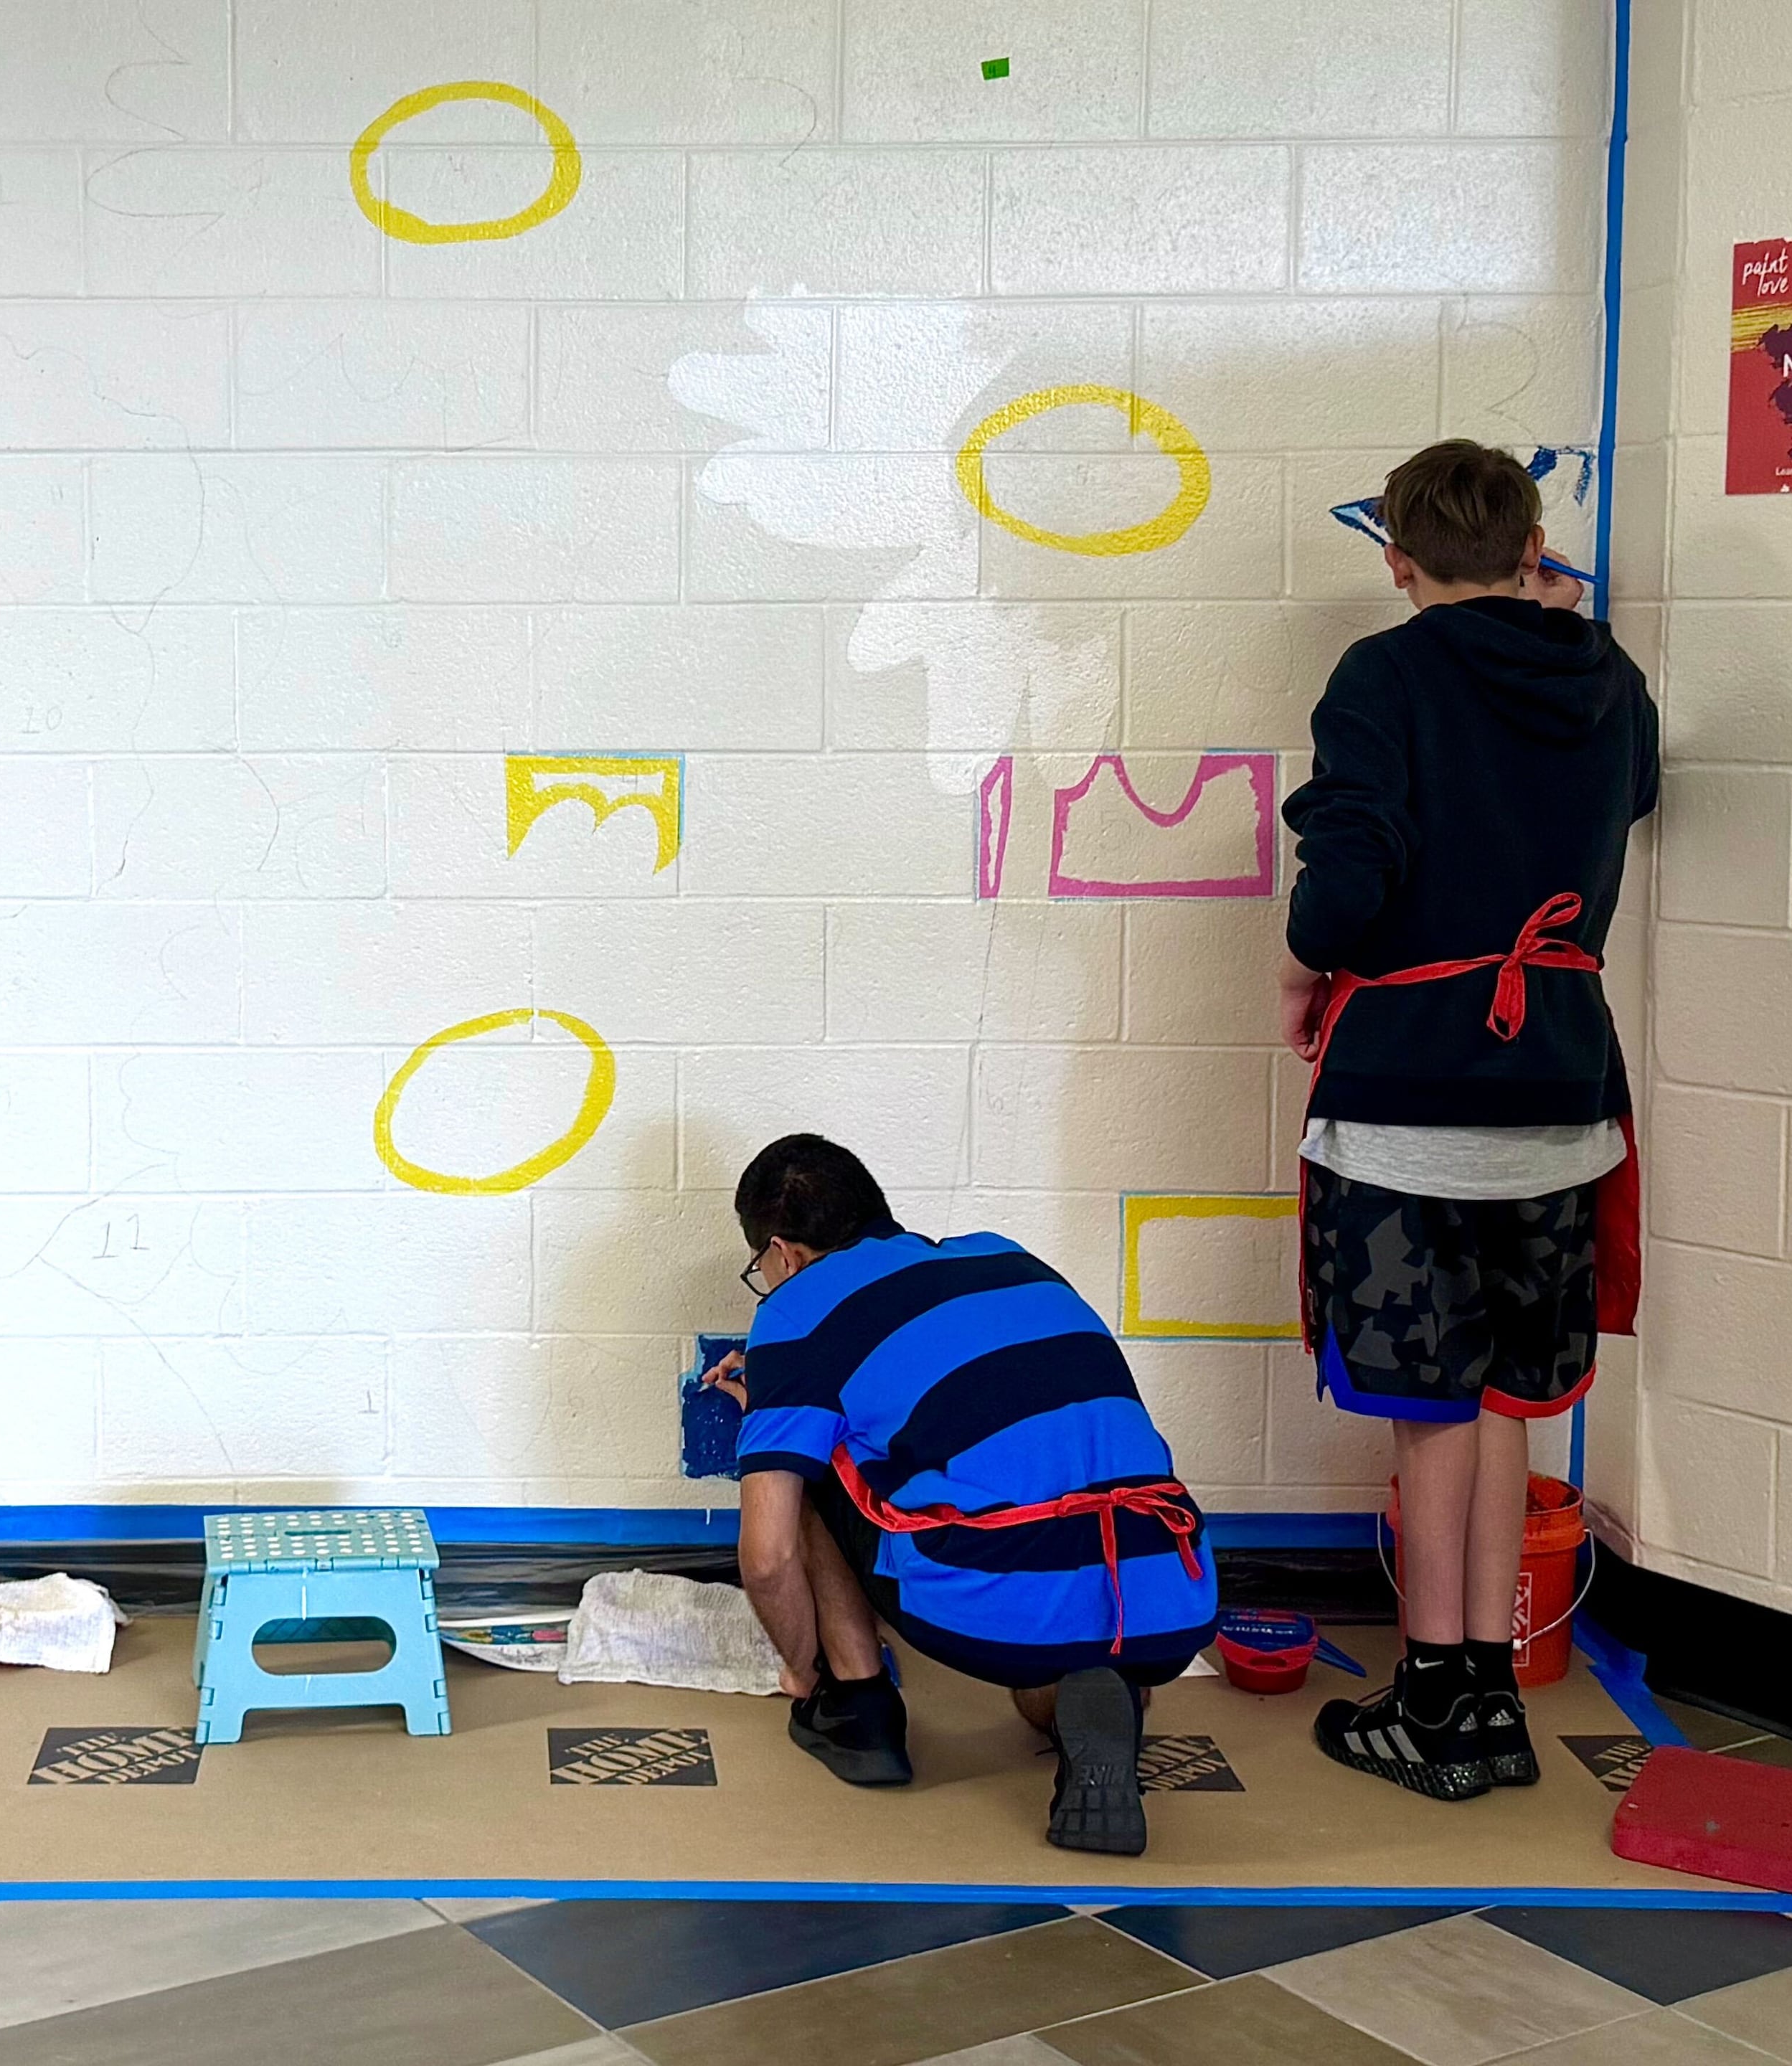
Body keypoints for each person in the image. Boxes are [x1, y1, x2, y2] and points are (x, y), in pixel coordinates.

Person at [1279, 439, 1655, 1803]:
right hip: (1563, 1091)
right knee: (1513, 1402)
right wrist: (1561, 625)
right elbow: (1642, 791)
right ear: (1532, 545)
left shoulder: (1385, 672)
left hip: (1411, 1103)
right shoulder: (1604, 671)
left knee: (1427, 1409)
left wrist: (1303, 960)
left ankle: (1435, 1696)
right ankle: (1492, 1699)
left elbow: (1352, 871)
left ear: (1397, 560)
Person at [704, 1134, 1217, 1857]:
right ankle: (1101, 1689)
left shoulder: (796, 1310)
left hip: (996, 1590)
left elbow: (768, 1556)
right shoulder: (1007, 1259)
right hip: (1167, 1585)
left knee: (803, 1462)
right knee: (1048, 1674)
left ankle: (857, 1707)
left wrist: (798, 1665)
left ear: (783, 1254)